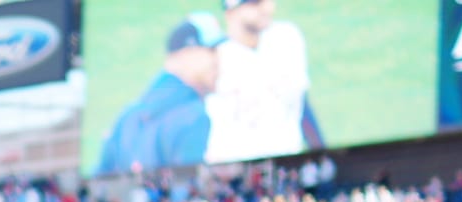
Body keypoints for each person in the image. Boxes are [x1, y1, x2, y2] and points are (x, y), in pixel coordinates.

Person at [95, 17, 221, 174]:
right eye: (211, 51)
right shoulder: (193, 116)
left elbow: (99, 177)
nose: (217, 61)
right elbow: (187, 187)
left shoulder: (127, 115)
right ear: (184, 54)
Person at [205, 0, 323, 164]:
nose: (268, 7)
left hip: (286, 161)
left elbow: (301, 103)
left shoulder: (287, 38)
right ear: (231, 12)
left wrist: (322, 154)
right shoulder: (214, 57)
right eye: (255, 3)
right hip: (234, 167)